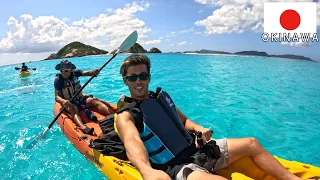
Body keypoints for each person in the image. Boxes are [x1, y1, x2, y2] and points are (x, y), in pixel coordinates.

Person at [114, 55, 303, 180]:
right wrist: (146, 171)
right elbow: (132, 142)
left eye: (142, 75)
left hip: (200, 151)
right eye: (132, 78)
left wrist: (200, 129)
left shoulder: (159, 99)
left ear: (149, 77)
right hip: (177, 166)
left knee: (251, 143)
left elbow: (185, 121)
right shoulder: (127, 115)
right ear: (125, 81)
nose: (138, 81)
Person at [54, 60, 115, 135]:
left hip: (80, 99)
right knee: (73, 108)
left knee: (94, 100)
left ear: (70, 69)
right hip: (69, 102)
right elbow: (57, 97)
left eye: (66, 70)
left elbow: (88, 73)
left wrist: (94, 72)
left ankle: (114, 117)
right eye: (61, 70)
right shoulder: (58, 80)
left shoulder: (75, 73)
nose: (63, 72)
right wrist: (63, 101)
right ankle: (83, 127)